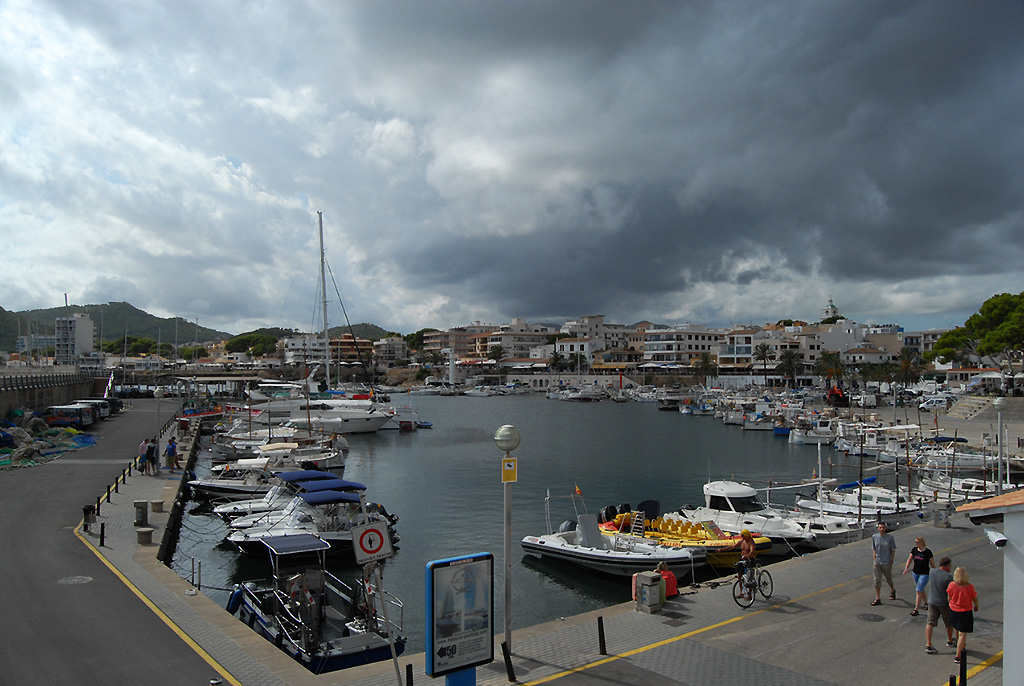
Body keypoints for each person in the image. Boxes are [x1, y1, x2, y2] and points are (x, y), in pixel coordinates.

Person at [947, 566, 979, 665]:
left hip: (954, 610)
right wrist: (976, 606)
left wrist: (951, 604)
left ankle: (960, 645)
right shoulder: (969, 587)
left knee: (957, 628)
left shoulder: (952, 585)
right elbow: (974, 598)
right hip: (965, 611)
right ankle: (958, 654)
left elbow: (949, 597)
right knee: (963, 633)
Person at [924, 557, 955, 655]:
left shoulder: (932, 572)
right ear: (946, 566)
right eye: (950, 565)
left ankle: (928, 644)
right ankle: (950, 640)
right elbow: (950, 592)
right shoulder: (948, 577)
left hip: (932, 601)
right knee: (949, 623)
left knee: (930, 623)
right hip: (943, 603)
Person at [902, 535, 935, 615]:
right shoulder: (914, 550)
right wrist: (906, 568)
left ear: (922, 543)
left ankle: (916, 609)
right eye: (915, 542)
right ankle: (926, 603)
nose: (916, 544)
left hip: (924, 573)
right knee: (920, 589)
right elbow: (910, 559)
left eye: (917, 542)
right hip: (916, 572)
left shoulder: (928, 552)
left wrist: (935, 572)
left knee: (918, 590)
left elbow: (932, 564)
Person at [871, 522, 897, 605]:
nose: (882, 529)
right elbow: (874, 548)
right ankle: (877, 598)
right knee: (877, 580)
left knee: (888, 578)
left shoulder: (890, 538)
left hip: (886, 562)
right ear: (878, 528)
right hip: (877, 562)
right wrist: (874, 558)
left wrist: (891, 560)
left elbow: (893, 549)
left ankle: (892, 589)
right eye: (880, 527)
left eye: (883, 527)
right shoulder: (875, 537)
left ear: (885, 528)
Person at [735, 529, 757, 600]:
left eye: (743, 536)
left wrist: (746, 556)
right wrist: (722, 549)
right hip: (742, 559)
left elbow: (752, 551)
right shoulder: (742, 541)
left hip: (749, 560)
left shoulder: (751, 542)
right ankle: (741, 592)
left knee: (749, 578)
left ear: (747, 536)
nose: (742, 537)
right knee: (739, 576)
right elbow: (733, 546)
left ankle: (750, 594)